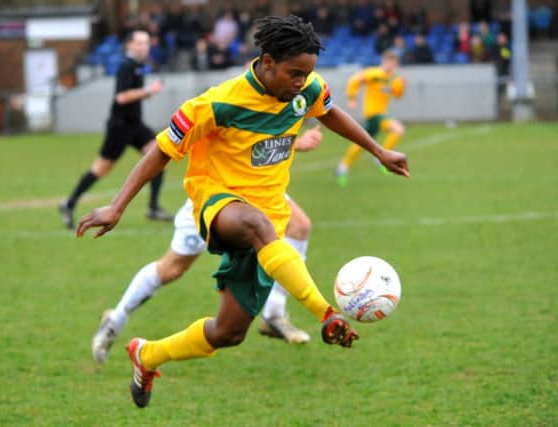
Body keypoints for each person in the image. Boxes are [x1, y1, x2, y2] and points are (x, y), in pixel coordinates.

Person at [77, 16, 409, 409]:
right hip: (218, 203)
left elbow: (329, 110)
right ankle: (324, 312)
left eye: (307, 74)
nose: (301, 82)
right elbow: (162, 150)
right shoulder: (218, 102)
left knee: (228, 333)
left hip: (269, 220)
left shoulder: (305, 90)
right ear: (267, 62)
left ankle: (146, 355)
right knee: (254, 225)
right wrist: (117, 206)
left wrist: (378, 150)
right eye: (294, 73)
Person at [91, 126, 325, 364]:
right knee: (172, 268)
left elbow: (263, 135)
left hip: (257, 194)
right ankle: (116, 318)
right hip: (214, 198)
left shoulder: (279, 97)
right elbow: (234, 141)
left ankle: (274, 314)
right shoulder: (227, 100)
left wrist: (295, 142)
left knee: (299, 226)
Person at [58, 30, 172, 229]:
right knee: (101, 170)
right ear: (129, 45)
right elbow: (121, 98)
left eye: (146, 43)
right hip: (120, 127)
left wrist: (144, 93)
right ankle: (69, 204)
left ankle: (153, 207)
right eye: (139, 43)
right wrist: (147, 92)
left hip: (135, 125)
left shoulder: (138, 66)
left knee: (160, 154)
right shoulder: (126, 66)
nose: (144, 47)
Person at [336, 49, 406, 186]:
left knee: (362, 143)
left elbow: (397, 95)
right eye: (391, 63)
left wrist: (401, 86)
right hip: (373, 114)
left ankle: (343, 166)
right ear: (384, 61)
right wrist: (351, 98)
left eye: (395, 64)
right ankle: (380, 158)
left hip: (380, 115)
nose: (392, 67)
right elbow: (355, 80)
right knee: (397, 130)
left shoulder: (392, 78)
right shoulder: (374, 73)